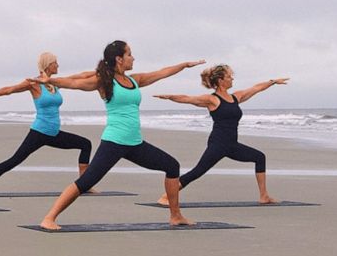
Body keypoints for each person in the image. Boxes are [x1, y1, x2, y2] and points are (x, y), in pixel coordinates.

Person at [33, 40, 204, 230]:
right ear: (119, 59)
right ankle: (49, 218)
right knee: (86, 181)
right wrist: (51, 80)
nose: (133, 57)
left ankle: (175, 215)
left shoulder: (134, 80)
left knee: (172, 166)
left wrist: (182, 65)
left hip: (135, 143)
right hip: (114, 142)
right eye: (130, 54)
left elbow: (160, 73)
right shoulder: (104, 81)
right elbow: (75, 82)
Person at [154, 64, 289, 204]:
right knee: (198, 171)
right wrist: (170, 96)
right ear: (220, 80)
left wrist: (272, 82)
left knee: (259, 157)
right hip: (218, 144)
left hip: (232, 145)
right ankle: (166, 196)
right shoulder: (212, 99)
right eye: (229, 76)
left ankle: (264, 196)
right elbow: (188, 98)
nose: (232, 79)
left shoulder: (236, 97)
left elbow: (256, 88)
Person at [0, 52, 95, 196]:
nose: (58, 65)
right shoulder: (34, 83)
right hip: (39, 133)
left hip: (54, 133)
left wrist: (103, 70)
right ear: (48, 64)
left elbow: (82, 75)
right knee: (14, 160)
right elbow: (10, 89)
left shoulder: (55, 83)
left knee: (85, 144)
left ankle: (84, 184)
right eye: (55, 63)